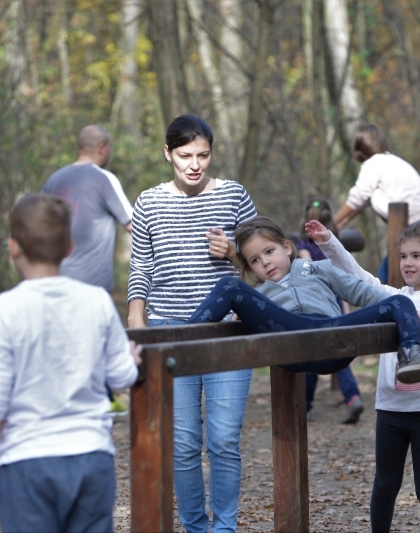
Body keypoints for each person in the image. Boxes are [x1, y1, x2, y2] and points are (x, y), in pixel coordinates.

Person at [0, 193, 142, 533]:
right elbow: (121, 374)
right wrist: (131, 359)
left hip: (27, 462)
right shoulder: (97, 301)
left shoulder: (4, 310)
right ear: (69, 248)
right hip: (92, 458)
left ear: (13, 247)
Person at [307, 199, 420, 533]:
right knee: (385, 485)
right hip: (391, 409)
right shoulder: (393, 298)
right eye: (403, 256)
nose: (407, 263)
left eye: (417, 256)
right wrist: (328, 242)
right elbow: (359, 278)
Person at [128, 115, 257, 533]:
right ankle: (196, 528)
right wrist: (137, 320)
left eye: (202, 155)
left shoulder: (235, 195)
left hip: (229, 332)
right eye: (184, 155)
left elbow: (265, 263)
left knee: (223, 441)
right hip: (169, 330)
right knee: (182, 445)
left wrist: (235, 252)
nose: (194, 164)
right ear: (168, 153)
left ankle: (224, 529)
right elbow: (141, 268)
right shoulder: (148, 202)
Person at [187, 216, 420, 386]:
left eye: (269, 251)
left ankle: (412, 356)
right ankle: (183, 339)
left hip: (333, 338)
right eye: (255, 261)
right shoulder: (260, 296)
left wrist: (409, 314)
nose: (265, 263)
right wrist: (242, 316)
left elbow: (363, 292)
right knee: (229, 286)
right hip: (289, 342)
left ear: (286, 247)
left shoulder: (318, 269)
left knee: (400, 301)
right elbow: (250, 313)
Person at [334, 122, 420, 283]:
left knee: (389, 274)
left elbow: (358, 197)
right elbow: (361, 202)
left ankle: (401, 307)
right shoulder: (392, 161)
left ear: (359, 146)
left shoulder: (373, 163)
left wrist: (333, 223)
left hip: (416, 223)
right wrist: (341, 223)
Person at [42, 124, 133, 292]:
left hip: (55, 283)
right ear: (102, 148)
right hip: (93, 287)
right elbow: (134, 225)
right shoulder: (104, 179)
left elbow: (38, 227)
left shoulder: (53, 180)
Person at [296, 197, 364, 424]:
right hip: (336, 303)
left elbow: (309, 272)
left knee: (311, 356)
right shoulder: (334, 248)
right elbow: (340, 281)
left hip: (316, 305)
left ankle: (304, 407)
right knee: (337, 353)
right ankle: (352, 395)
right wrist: (345, 310)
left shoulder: (304, 247)